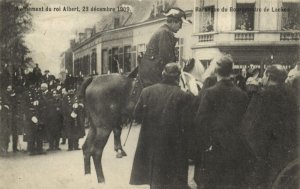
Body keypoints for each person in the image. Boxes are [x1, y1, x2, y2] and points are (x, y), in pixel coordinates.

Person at [193, 55, 255, 189]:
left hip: (214, 147)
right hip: (235, 147)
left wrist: (205, 144)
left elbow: (200, 121)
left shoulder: (210, 93)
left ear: (216, 71)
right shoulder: (241, 94)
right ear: (231, 71)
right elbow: (246, 122)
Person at [130, 63, 192, 189]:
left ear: (163, 74)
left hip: (151, 146)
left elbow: (136, 116)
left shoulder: (147, 92)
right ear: (178, 77)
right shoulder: (184, 96)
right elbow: (188, 124)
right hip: (174, 148)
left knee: (156, 181)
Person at [241, 65, 299, 189]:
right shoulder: (292, 95)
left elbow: (249, 125)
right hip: (287, 154)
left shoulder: (262, 95)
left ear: (268, 76)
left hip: (264, 155)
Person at [138, 7, 191, 87]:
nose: (181, 27)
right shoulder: (165, 33)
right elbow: (166, 58)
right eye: (180, 24)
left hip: (149, 69)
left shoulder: (164, 31)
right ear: (173, 22)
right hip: (153, 73)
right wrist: (177, 68)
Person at [3, 85, 19, 152]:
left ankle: (15, 147)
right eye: (7, 88)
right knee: (6, 132)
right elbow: (5, 104)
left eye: (9, 88)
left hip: (14, 116)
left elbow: (17, 105)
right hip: (7, 117)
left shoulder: (15, 96)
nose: (8, 89)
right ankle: (5, 147)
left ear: (12, 89)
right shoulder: (5, 96)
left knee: (15, 132)